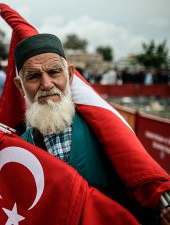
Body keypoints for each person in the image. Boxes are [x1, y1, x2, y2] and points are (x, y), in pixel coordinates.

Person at [10, 33, 170, 224]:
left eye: (54, 72)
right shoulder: (19, 150)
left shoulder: (103, 129)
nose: (46, 84)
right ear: (20, 86)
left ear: (69, 75)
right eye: (34, 76)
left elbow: (141, 178)